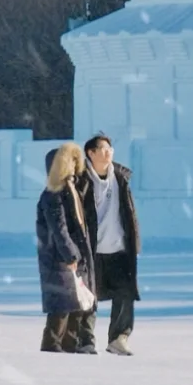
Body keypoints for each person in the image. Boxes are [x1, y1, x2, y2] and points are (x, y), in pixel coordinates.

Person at [74, 133, 141, 356]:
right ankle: (85, 340)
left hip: (119, 248)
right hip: (91, 250)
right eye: (103, 149)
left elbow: (130, 213)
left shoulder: (120, 178)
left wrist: (134, 242)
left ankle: (119, 339)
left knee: (125, 293)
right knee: (88, 296)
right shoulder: (81, 181)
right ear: (90, 153)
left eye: (110, 149)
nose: (108, 152)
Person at [36, 143, 96, 352]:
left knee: (75, 304)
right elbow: (59, 228)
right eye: (70, 160)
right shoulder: (53, 194)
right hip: (59, 259)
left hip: (74, 257)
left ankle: (70, 345)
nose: (74, 164)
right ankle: (52, 345)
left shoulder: (71, 189)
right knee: (61, 306)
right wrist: (71, 254)